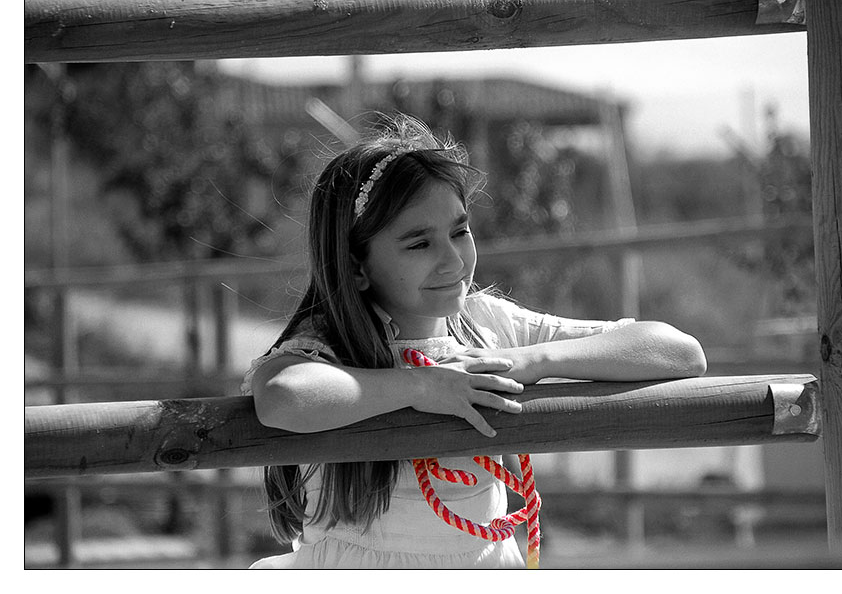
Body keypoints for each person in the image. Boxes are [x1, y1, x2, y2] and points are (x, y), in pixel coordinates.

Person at [241, 113, 707, 569]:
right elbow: (283, 397)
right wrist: (423, 386)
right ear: (357, 267)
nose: (453, 260)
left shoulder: (487, 329)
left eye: (460, 231)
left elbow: (680, 351)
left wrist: (532, 360)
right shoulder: (327, 343)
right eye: (419, 244)